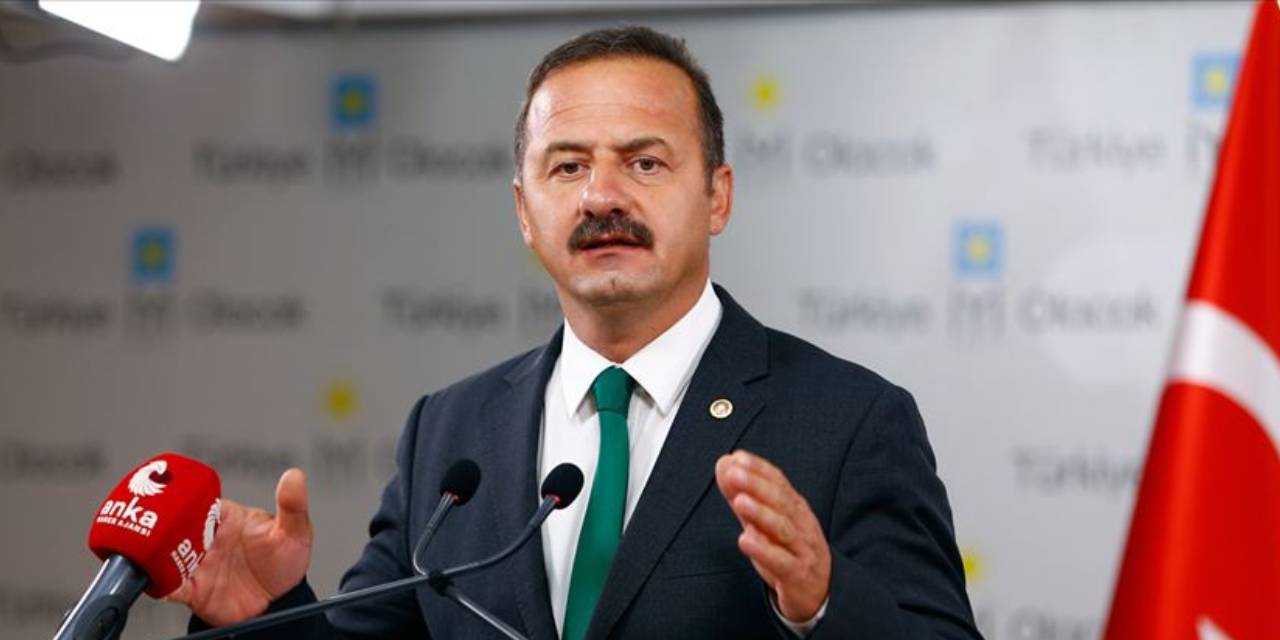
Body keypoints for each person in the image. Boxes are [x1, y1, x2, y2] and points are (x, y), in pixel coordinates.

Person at [170, 26, 980, 639]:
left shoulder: (848, 421)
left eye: (645, 162)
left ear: (718, 197)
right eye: (567, 166)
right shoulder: (450, 433)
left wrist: (824, 604)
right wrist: (263, 611)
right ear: (525, 211)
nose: (601, 196)